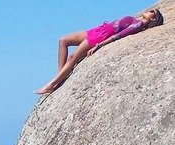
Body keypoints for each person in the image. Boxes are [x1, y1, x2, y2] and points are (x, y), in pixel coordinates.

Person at [35, 8, 164, 94]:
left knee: (72, 58)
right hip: (98, 29)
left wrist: (99, 45)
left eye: (152, 11)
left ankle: (51, 85)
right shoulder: (136, 20)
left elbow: (118, 36)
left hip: (101, 36)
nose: (149, 10)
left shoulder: (138, 25)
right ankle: (58, 78)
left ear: (153, 18)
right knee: (63, 40)